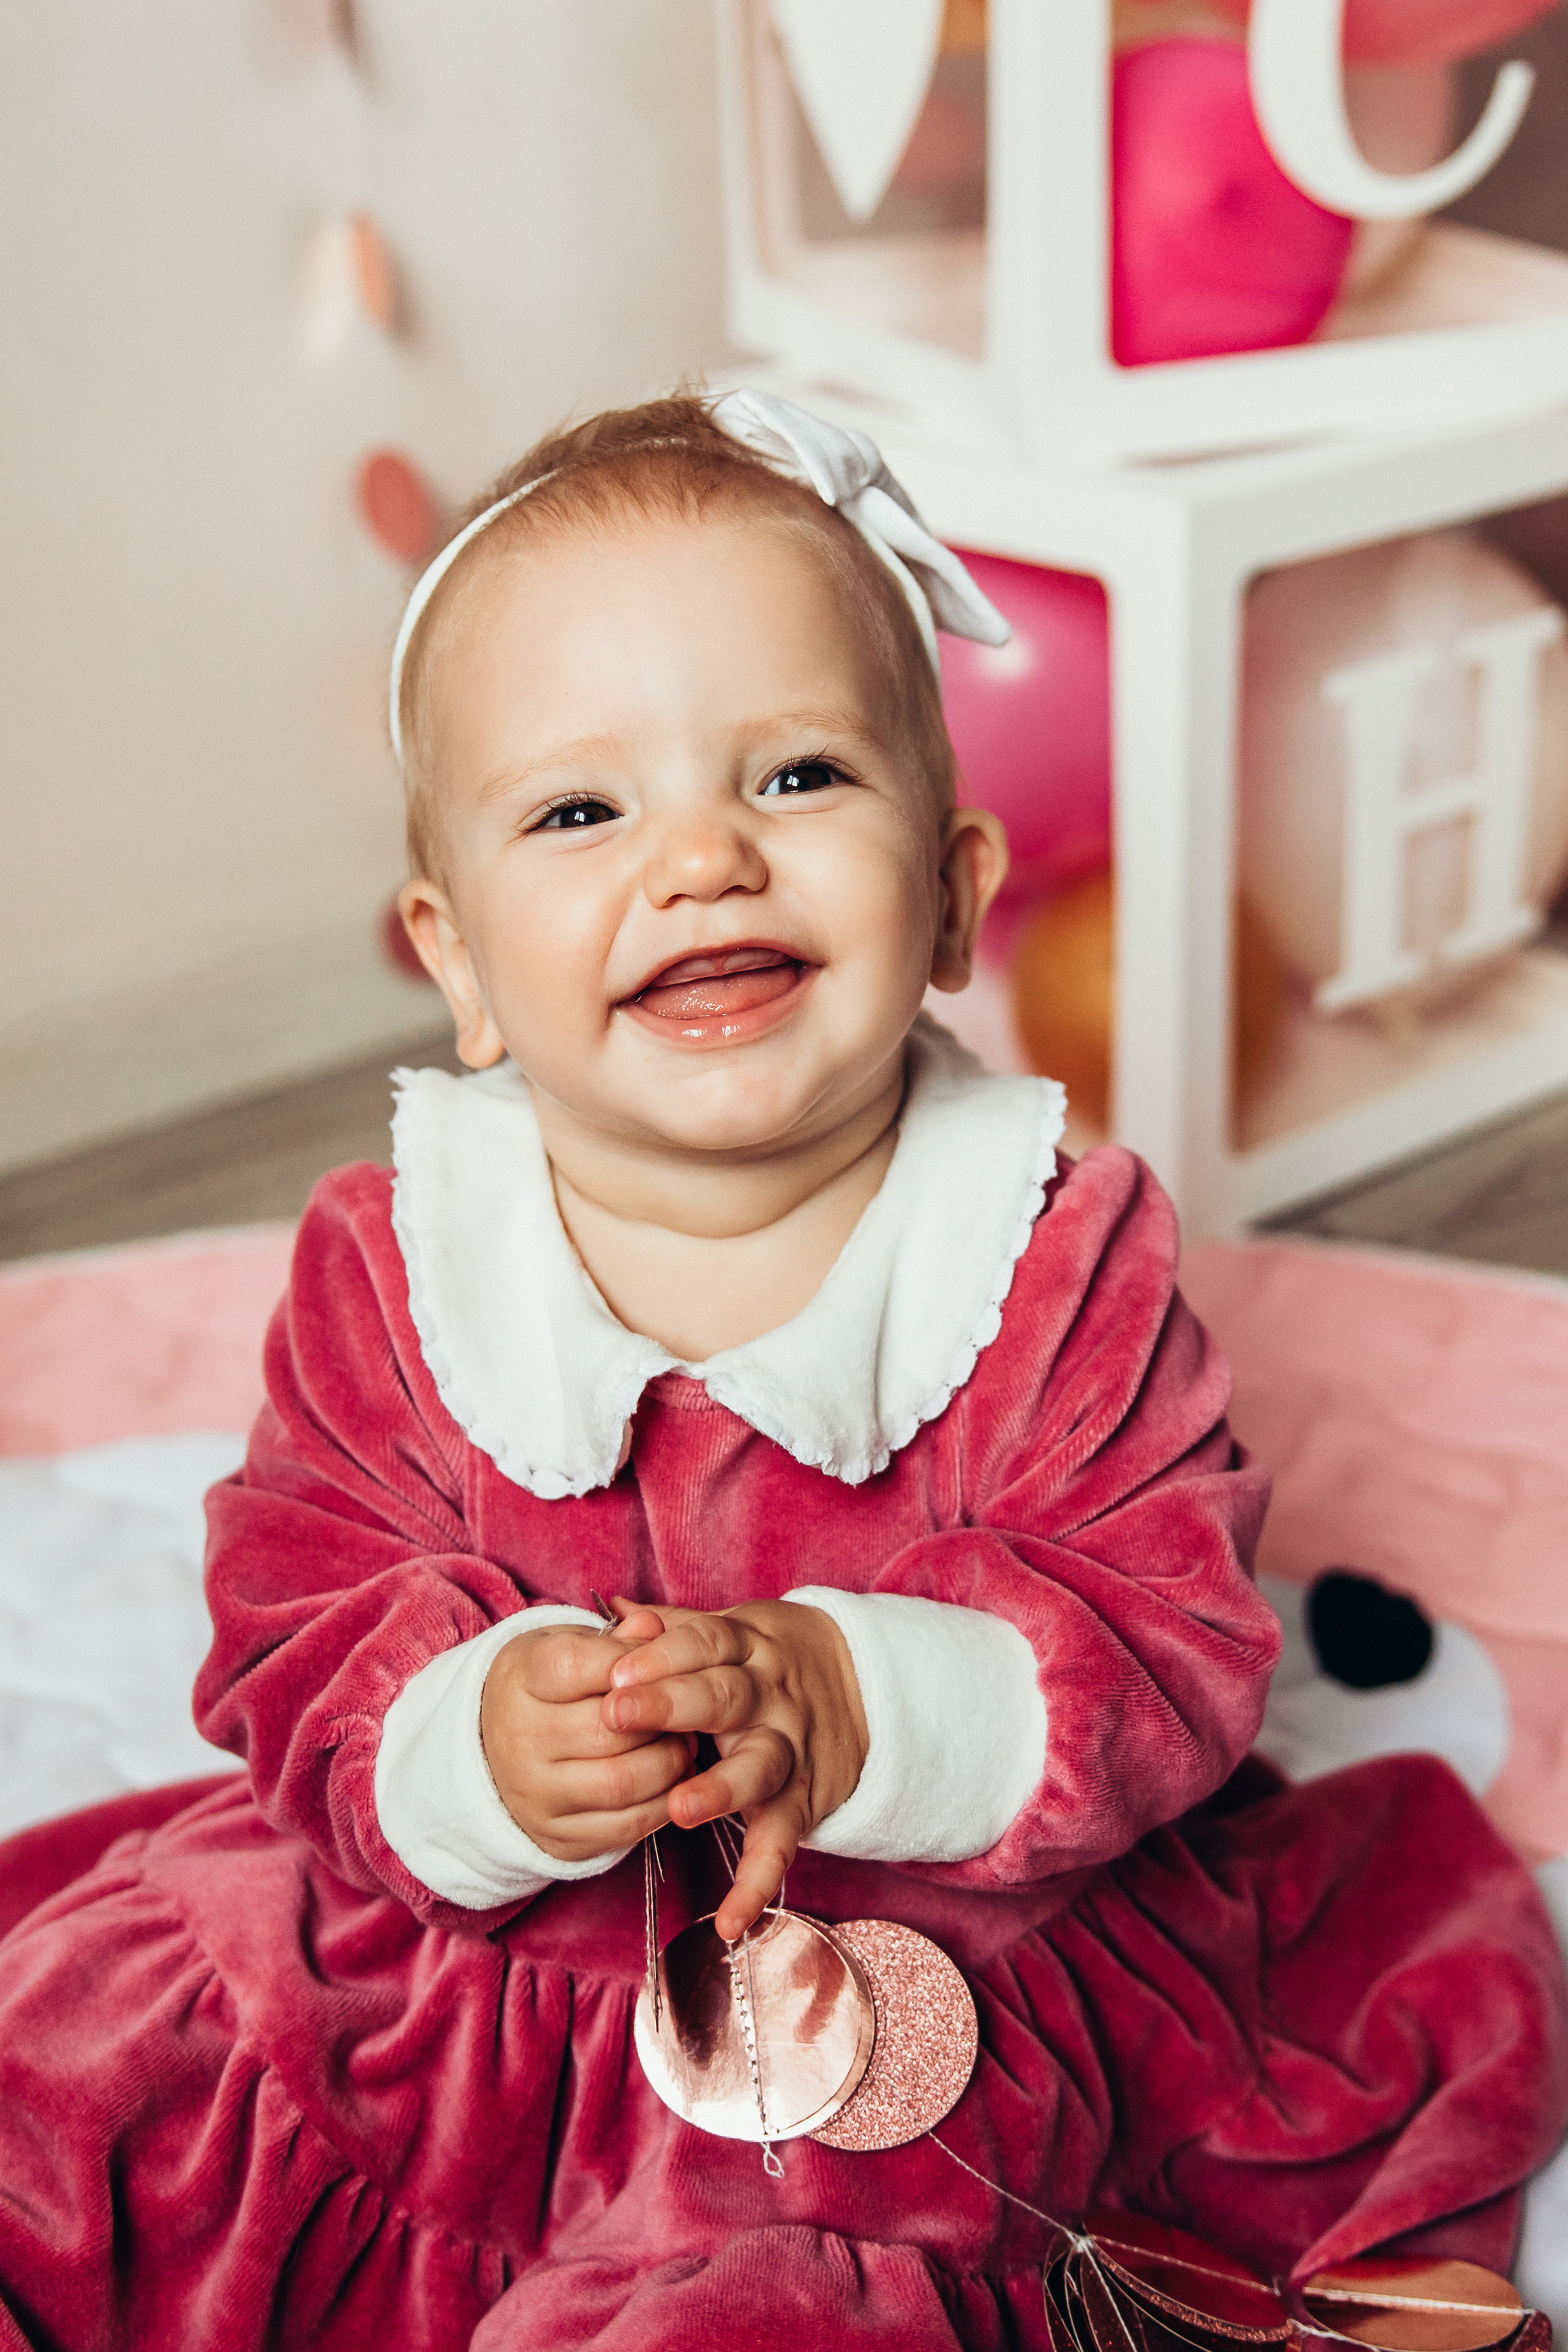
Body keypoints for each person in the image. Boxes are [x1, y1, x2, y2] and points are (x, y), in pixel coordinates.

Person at [0, 391, 1563, 2352]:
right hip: (474, 1978)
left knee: (798, 2293)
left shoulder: (1053, 1250)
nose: (705, 859)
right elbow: (295, 1622)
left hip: (943, 1969)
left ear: (957, 900)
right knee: (93, 2096)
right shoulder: (401, 1265)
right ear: (457, 955)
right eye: (582, 812)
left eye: (802, 775)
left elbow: (1168, 1634)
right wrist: (475, 1746)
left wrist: (851, 1694)